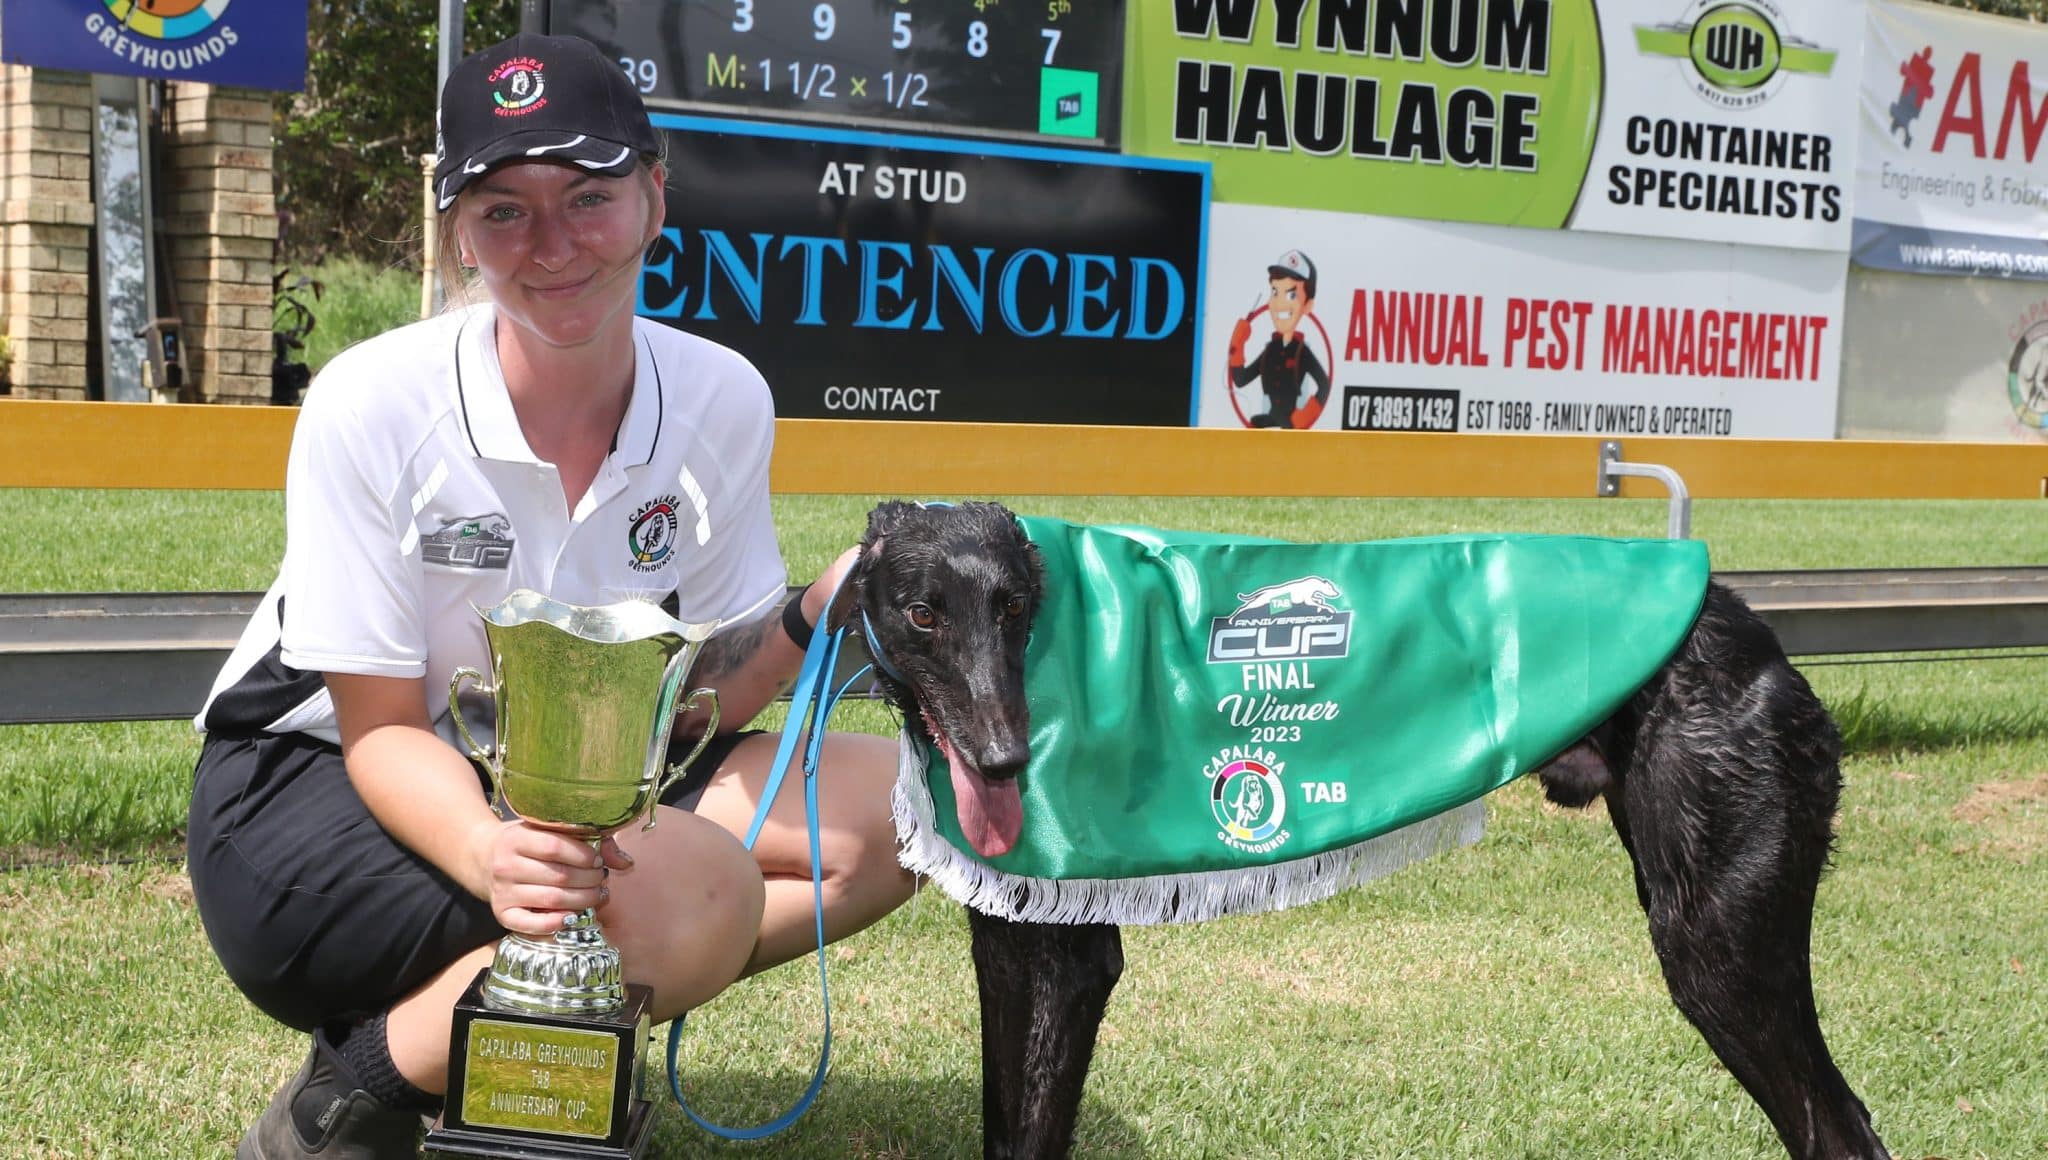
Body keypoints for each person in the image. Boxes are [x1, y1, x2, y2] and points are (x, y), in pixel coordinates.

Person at [186, 33, 914, 1159]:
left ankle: (526, 1034)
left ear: (654, 195)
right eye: (503, 210)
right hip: (314, 785)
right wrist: (491, 852)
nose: (553, 245)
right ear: (457, 229)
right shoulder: (369, 400)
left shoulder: (721, 395)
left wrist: (814, 612)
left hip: (568, 774)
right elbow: (378, 730)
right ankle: (353, 1095)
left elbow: (693, 705)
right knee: (685, 892)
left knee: (895, 810)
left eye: (588, 196)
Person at [1228, 249, 1330, 429]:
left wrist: (1306, 414)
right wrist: (1238, 345)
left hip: (1292, 421)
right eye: (1275, 292)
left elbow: (1324, 384)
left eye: (1291, 294)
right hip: (1271, 418)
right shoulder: (1270, 350)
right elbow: (1241, 379)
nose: (1280, 303)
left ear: (1307, 305)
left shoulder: (1301, 351)